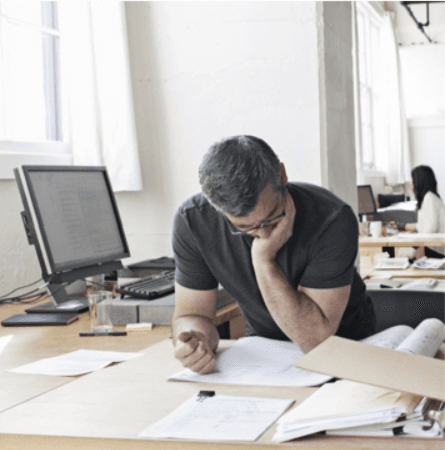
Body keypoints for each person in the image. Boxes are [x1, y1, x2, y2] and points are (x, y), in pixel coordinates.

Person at [171, 135, 376, 374]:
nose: (264, 233)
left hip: (347, 346)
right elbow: (192, 314)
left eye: (272, 217)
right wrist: (196, 341)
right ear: (216, 206)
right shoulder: (193, 222)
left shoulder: (332, 219)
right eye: (244, 227)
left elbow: (316, 340)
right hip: (267, 352)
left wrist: (264, 260)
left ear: (282, 174)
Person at [396, 165, 445, 257]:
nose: (411, 185)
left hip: (438, 249)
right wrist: (400, 226)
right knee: (407, 252)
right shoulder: (431, 197)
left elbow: (431, 228)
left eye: (412, 181)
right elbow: (422, 225)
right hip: (434, 246)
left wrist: (419, 246)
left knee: (405, 254)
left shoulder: (429, 198)